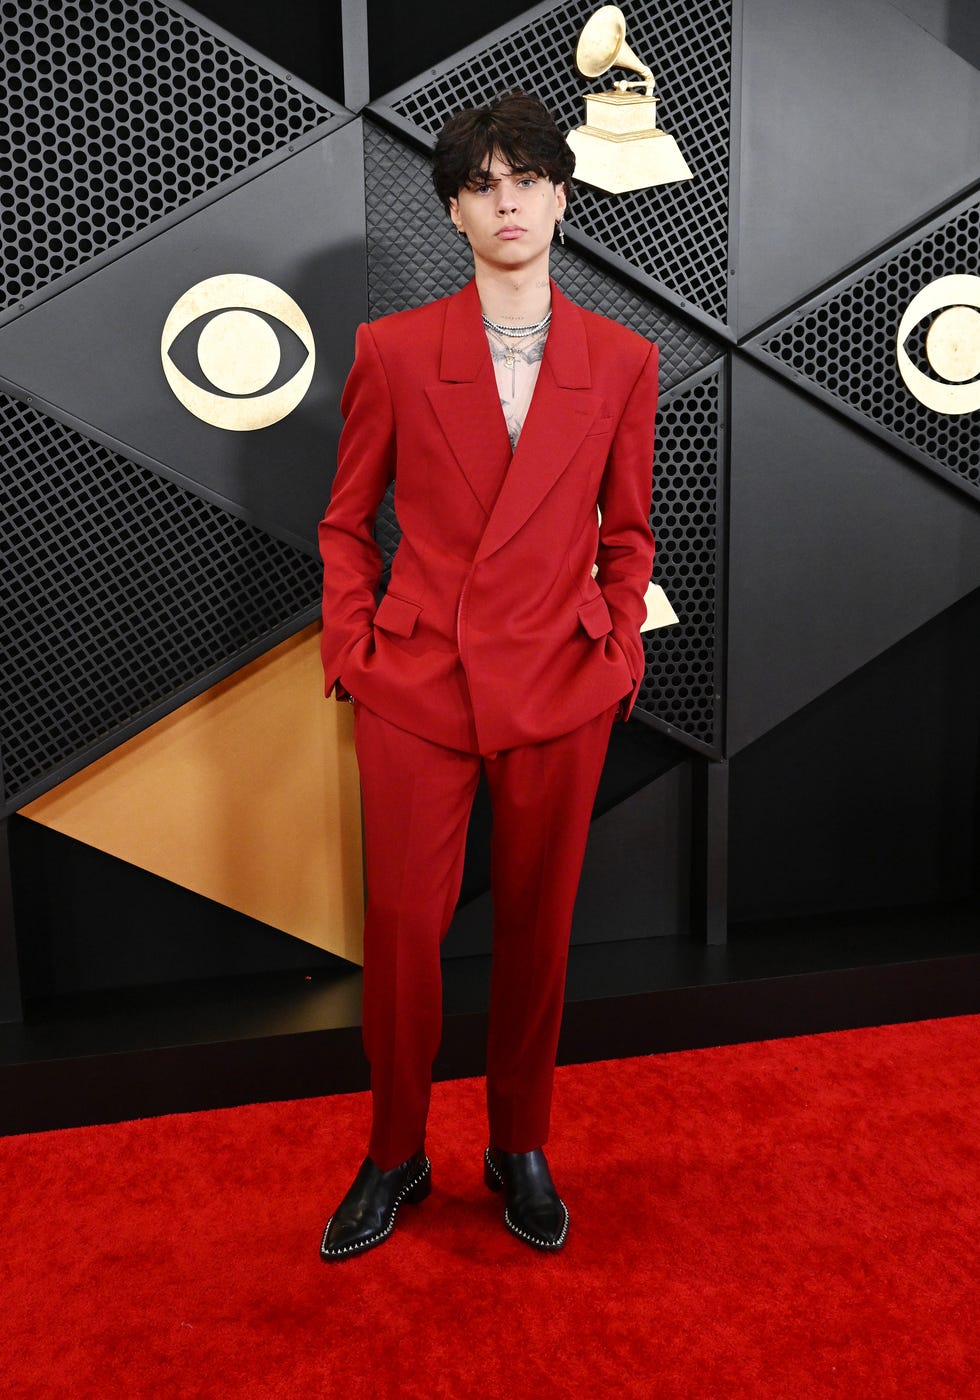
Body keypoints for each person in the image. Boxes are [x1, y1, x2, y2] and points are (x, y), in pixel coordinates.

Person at [317, 91, 658, 1258]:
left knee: (537, 930)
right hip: (416, 684)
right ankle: (394, 1149)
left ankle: (517, 1141)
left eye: (525, 179)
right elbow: (345, 521)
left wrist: (616, 650)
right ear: (455, 208)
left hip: (561, 683)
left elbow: (629, 535)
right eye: (481, 183)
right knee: (405, 929)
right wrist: (356, 651)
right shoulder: (395, 350)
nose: (505, 201)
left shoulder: (621, 361)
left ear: (561, 197)